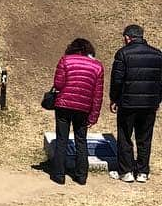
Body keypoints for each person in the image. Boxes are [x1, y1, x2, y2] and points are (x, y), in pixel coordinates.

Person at [109, 24, 162, 183]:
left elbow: (117, 80)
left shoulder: (123, 54)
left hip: (128, 104)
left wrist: (114, 99)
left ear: (127, 37)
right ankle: (142, 171)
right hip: (149, 104)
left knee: (125, 136)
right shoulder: (158, 55)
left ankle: (126, 172)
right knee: (145, 137)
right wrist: (157, 99)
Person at [49, 37, 104, 185]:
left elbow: (58, 84)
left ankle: (59, 175)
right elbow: (97, 94)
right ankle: (81, 177)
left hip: (64, 105)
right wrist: (94, 115)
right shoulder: (97, 67)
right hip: (84, 108)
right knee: (81, 141)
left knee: (62, 139)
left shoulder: (65, 60)